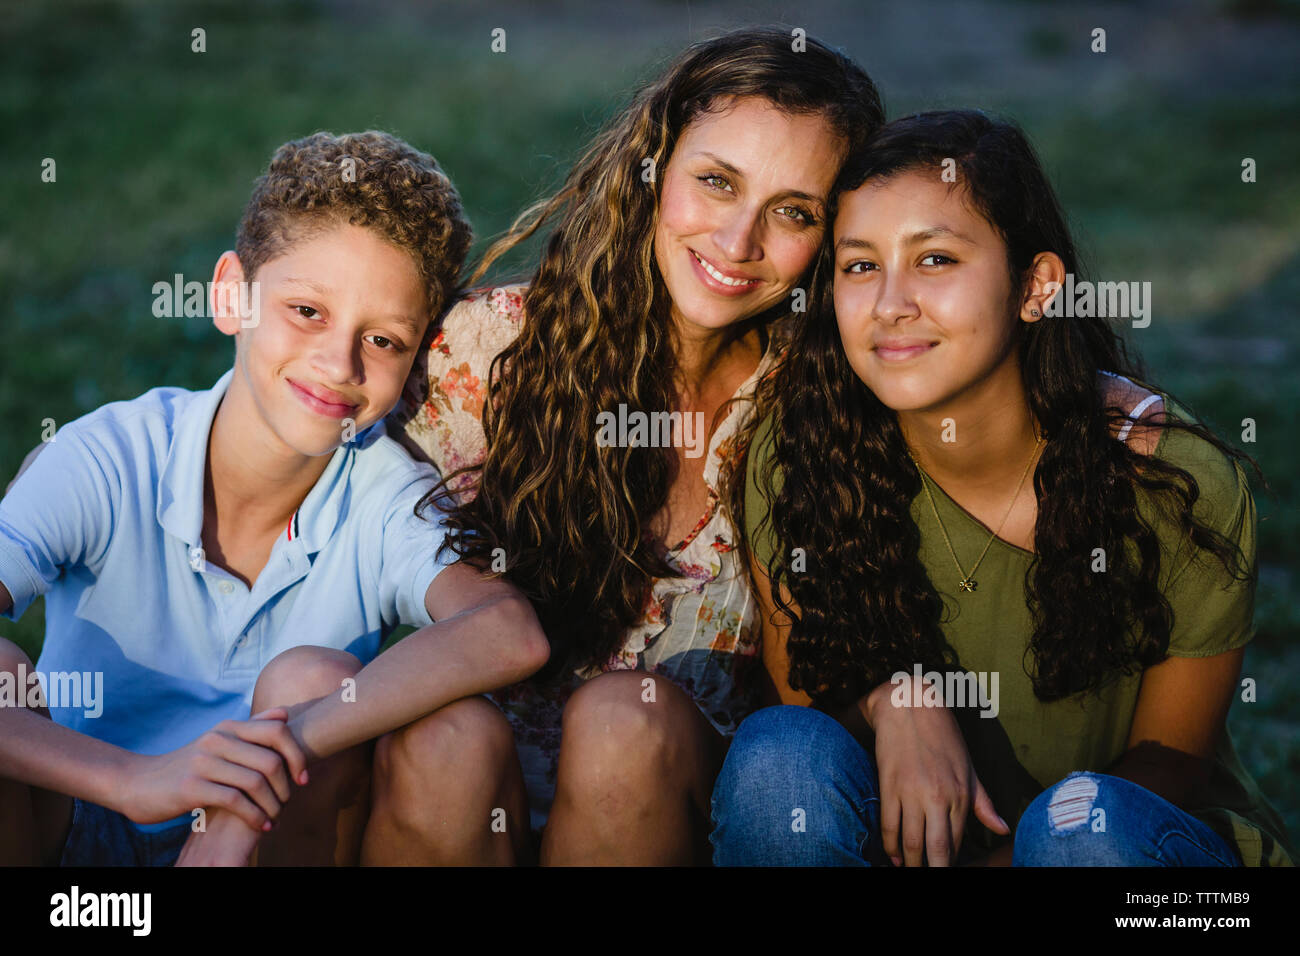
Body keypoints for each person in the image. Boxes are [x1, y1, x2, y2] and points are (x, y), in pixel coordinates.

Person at [715, 110, 1293, 867]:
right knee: (779, 757)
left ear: (1035, 286)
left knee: (1079, 829)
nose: (891, 303)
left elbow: (1171, 768)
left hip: (1121, 854)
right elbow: (808, 718)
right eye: (860, 266)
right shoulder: (798, 462)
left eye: (935, 260)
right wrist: (895, 698)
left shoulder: (1174, 485)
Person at [384, 28, 883, 863]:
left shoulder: (818, 402)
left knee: (623, 719)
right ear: (653, 170)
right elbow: (309, 485)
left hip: (676, 806)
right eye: (717, 183)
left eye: (794, 212)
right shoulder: (484, 355)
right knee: (443, 737)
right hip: (462, 798)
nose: (738, 241)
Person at [0, 130, 550, 867]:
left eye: (383, 341)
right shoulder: (112, 457)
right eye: (307, 312)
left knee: (314, 679)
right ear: (232, 296)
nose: (338, 362)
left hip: (260, 840)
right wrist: (137, 781)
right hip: (74, 822)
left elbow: (508, 631)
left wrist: (270, 757)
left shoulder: (384, 494)